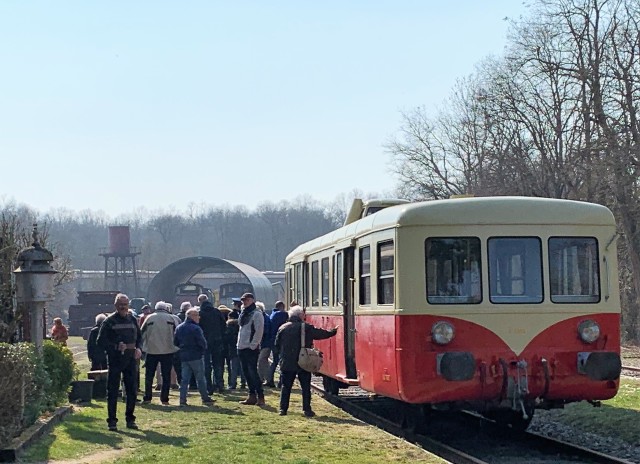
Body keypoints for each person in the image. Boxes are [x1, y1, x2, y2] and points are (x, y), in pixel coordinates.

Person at [274, 305, 338, 417]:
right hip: (302, 361)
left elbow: (276, 345)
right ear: (300, 315)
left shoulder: (282, 327)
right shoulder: (305, 327)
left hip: (287, 361)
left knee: (286, 386)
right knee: (305, 387)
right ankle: (307, 409)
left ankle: (283, 409)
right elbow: (319, 334)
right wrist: (332, 332)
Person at [97, 293, 142, 431]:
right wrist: (116, 346)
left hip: (131, 359)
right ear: (116, 305)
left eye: (125, 304)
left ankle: (130, 419)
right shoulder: (109, 321)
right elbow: (100, 341)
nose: (123, 307)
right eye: (120, 305)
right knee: (112, 391)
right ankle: (112, 421)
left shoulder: (133, 319)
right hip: (115, 359)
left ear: (128, 305)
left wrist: (139, 348)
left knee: (132, 390)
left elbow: (139, 337)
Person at [173, 308, 215, 406]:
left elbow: (175, 342)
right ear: (191, 316)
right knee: (200, 378)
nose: (198, 317)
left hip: (184, 356)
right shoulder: (196, 328)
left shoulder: (179, 327)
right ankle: (205, 398)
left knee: (184, 380)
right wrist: (202, 350)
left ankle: (182, 400)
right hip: (196, 356)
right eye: (196, 315)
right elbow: (202, 342)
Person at [140, 301, 179, 405]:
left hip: (152, 350)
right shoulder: (172, 318)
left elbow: (142, 333)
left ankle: (147, 397)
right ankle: (164, 399)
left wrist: (143, 348)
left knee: (149, 375)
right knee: (166, 376)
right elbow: (177, 334)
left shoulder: (149, 318)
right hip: (168, 350)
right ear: (166, 308)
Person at [236, 292, 265, 406]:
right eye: (243, 300)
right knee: (246, 372)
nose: (244, 302)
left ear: (252, 300)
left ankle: (260, 396)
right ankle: (251, 395)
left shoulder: (257, 314)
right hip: (241, 346)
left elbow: (259, 331)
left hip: (250, 347)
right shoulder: (243, 314)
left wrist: (253, 345)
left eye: (247, 300)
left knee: (253, 372)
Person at [198, 294, 226, 394]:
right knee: (217, 364)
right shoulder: (216, 311)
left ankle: (209, 387)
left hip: (205, 341)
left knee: (206, 365)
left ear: (200, 302)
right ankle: (219, 384)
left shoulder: (200, 313)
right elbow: (223, 325)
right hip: (217, 340)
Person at [267, 301, 288, 387]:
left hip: (273, 341)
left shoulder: (273, 314)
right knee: (282, 361)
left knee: (275, 361)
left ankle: (270, 379)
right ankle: (281, 382)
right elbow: (286, 315)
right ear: (282, 307)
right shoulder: (280, 314)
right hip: (280, 342)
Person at [256, 301, 273, 386]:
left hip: (265, 343)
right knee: (263, 362)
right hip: (264, 343)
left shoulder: (264, 318)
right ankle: (265, 379)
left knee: (261, 361)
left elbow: (264, 332)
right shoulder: (265, 317)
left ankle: (262, 379)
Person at [223, 310, 241, 389]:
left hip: (232, 349)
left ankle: (233, 383)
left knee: (233, 367)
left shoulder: (228, 326)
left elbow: (227, 339)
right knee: (242, 367)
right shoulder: (240, 325)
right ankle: (243, 382)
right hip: (241, 347)